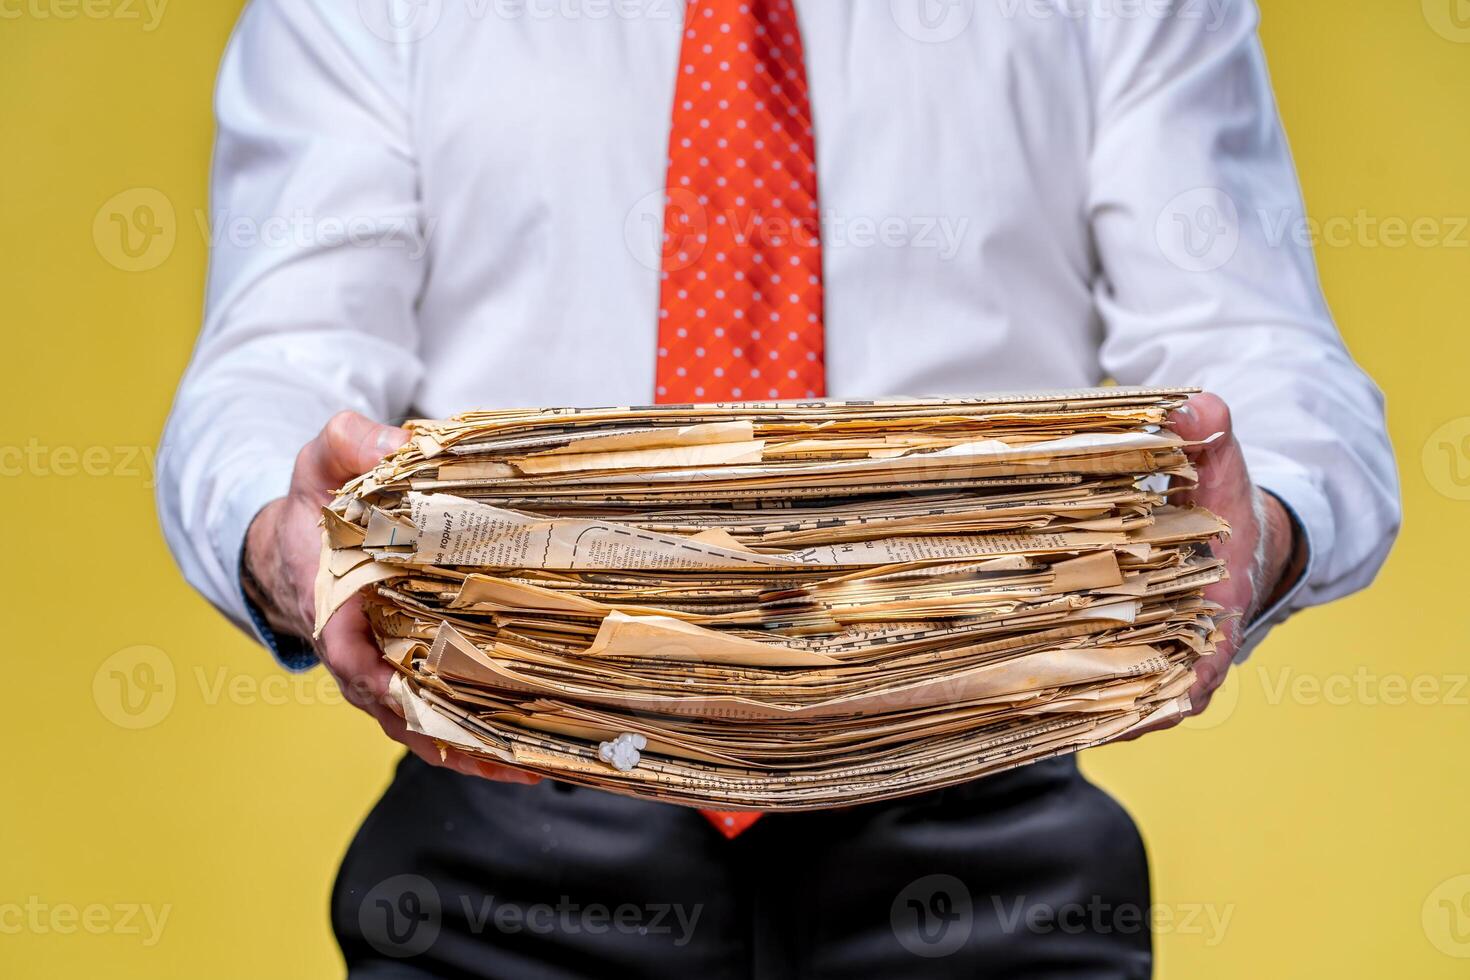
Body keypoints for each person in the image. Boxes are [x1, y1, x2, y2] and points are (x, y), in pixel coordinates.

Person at [158, 0, 1399, 975]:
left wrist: (1260, 527)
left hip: (986, 852)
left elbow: (1262, 358)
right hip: (502, 846)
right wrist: (288, 538)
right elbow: (275, 370)